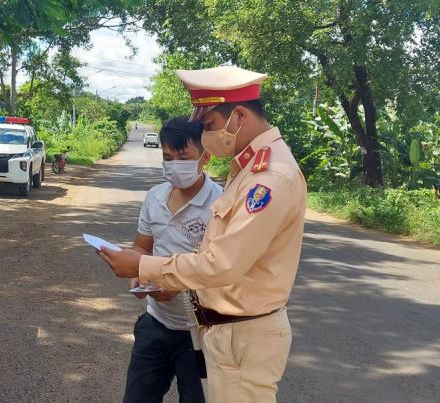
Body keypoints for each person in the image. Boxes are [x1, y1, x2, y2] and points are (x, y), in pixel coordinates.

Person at [99, 66, 307, 403]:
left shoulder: (270, 177)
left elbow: (221, 264)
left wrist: (144, 267)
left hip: (242, 335)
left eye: (209, 126)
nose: (207, 134)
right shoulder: (249, 169)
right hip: (223, 331)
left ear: (239, 116)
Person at [123, 117, 221, 403]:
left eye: (183, 157)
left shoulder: (221, 204)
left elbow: (222, 269)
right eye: (168, 157)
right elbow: (141, 247)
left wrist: (179, 285)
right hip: (156, 323)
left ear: (205, 157)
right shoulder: (154, 197)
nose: (175, 164)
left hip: (201, 332)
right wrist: (136, 274)